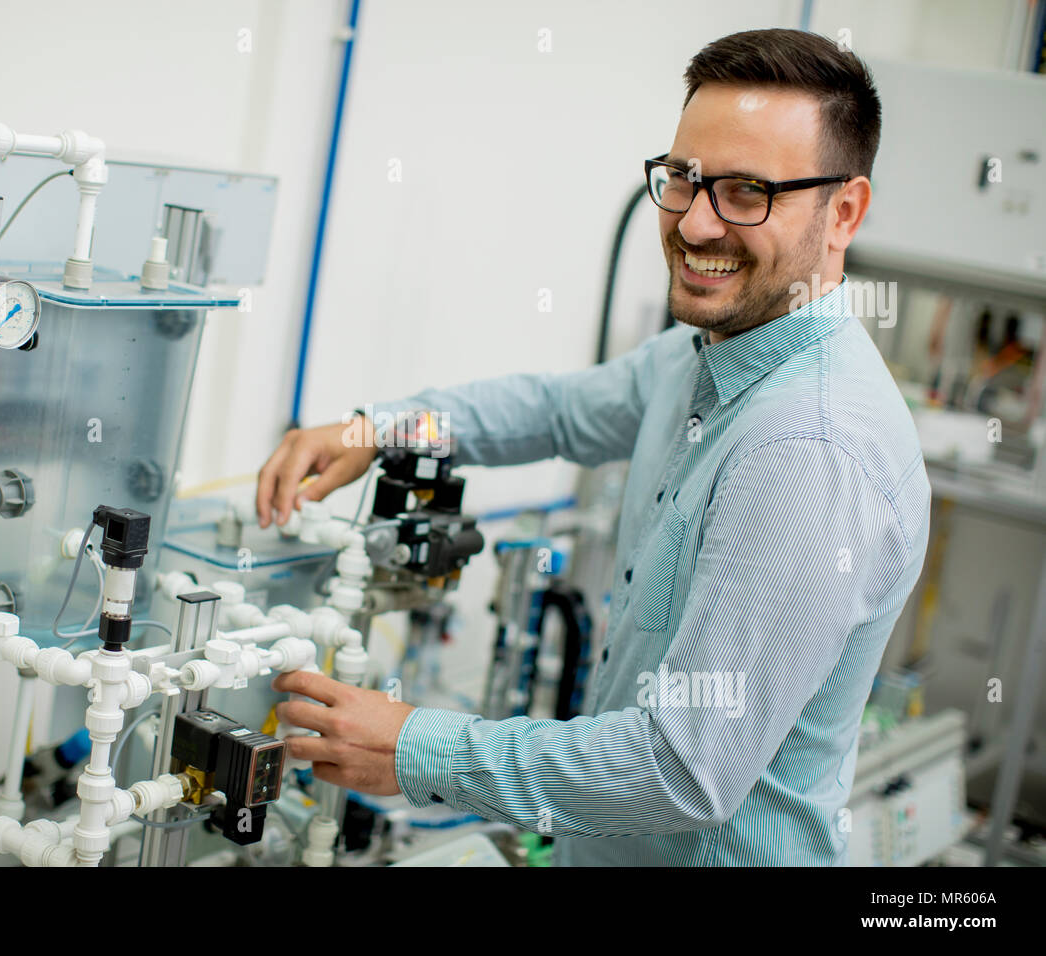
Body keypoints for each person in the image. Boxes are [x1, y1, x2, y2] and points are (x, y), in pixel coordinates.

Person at [258, 27, 930, 865]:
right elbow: (552, 411)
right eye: (684, 180)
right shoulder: (712, 355)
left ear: (844, 212)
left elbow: (679, 767)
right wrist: (378, 428)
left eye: (748, 192)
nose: (697, 222)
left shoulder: (808, 452)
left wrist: (415, 747)